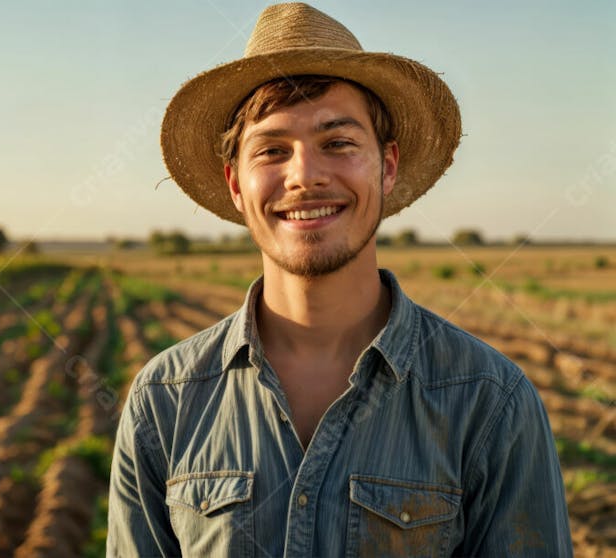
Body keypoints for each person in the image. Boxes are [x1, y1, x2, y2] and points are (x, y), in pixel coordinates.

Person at [107, 3, 573, 557]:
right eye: (273, 150)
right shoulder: (164, 400)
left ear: (388, 165)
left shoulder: (490, 402)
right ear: (236, 184)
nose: (305, 175)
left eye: (338, 143)